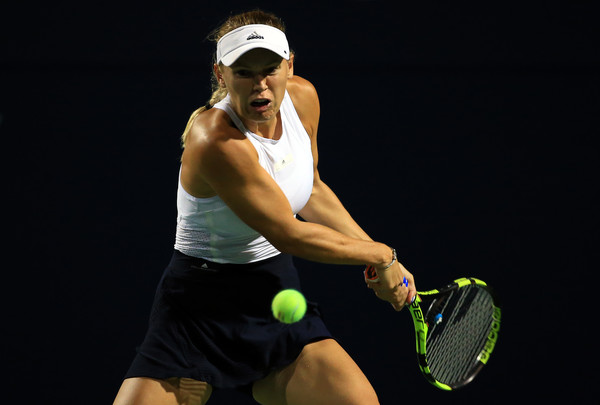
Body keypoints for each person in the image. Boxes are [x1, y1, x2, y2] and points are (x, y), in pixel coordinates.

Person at [114, 9, 416, 405]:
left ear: (290, 65)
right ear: (221, 75)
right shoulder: (214, 140)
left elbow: (311, 189)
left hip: (273, 295)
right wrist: (381, 254)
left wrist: (380, 260)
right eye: (244, 72)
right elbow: (286, 232)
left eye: (271, 69)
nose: (261, 85)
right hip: (196, 308)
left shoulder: (303, 98)